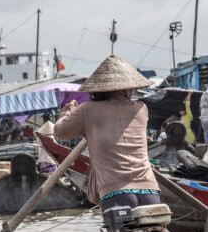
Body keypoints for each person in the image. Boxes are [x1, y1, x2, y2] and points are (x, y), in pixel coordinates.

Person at [54, 55, 159, 212]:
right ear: (127, 89)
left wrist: (67, 113)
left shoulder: (87, 110)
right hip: (150, 191)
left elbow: (60, 132)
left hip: (116, 193)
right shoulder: (141, 108)